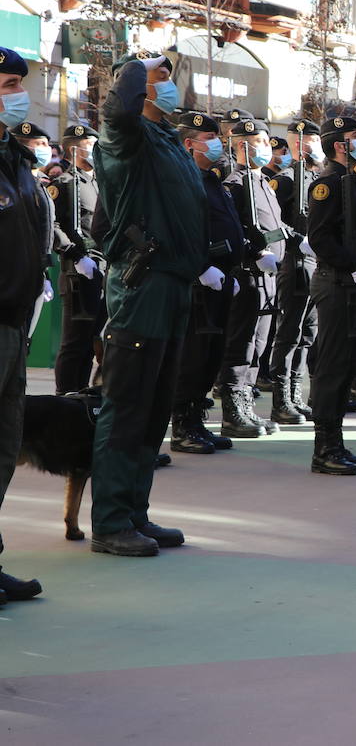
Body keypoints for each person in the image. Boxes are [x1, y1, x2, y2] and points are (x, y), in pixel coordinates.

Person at [88, 54, 206, 556]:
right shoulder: (125, 139)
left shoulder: (167, 141)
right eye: (159, 78)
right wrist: (137, 63)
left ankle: (135, 512)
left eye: (168, 75)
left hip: (174, 286)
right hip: (143, 286)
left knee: (156, 405)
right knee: (128, 404)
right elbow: (115, 114)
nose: (168, 82)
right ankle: (111, 520)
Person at [305, 116, 356, 477]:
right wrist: (354, 267)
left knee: (347, 365)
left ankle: (336, 443)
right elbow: (320, 238)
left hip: (353, 282)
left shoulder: (353, 181)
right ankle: (324, 448)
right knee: (332, 367)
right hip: (336, 282)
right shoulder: (330, 183)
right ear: (340, 144)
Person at [0, 45, 48, 599]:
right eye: (7, 85)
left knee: (2, 448)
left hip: (13, 328)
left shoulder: (14, 160)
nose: (18, 95)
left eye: (18, 83)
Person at [168, 111, 241, 456]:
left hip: (223, 278)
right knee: (194, 355)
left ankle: (197, 420)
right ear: (189, 143)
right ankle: (183, 426)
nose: (217, 144)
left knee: (212, 354)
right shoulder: (182, 180)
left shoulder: (211, 180)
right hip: (200, 281)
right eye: (210, 138)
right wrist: (202, 267)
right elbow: (180, 231)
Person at [218, 118, 286, 438]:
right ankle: (233, 411)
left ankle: (247, 404)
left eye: (265, 141)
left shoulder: (262, 182)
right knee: (241, 343)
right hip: (248, 275)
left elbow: (272, 229)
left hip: (269, 278)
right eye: (256, 141)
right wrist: (254, 255)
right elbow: (233, 233)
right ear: (241, 145)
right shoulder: (234, 184)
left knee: (259, 344)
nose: (264, 147)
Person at [265, 121, 321, 425]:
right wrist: (297, 239)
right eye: (308, 141)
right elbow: (273, 224)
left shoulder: (316, 177)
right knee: (289, 332)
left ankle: (296, 394)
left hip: (315, 264)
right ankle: (280, 398)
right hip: (294, 262)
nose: (313, 146)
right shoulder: (285, 181)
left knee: (308, 333)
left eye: (315, 140)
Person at [51, 123, 106, 393]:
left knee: (93, 340)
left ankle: (82, 396)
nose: (95, 149)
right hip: (78, 271)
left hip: (101, 269)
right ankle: (66, 397)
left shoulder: (98, 183)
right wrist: (74, 254)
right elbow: (54, 226)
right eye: (89, 144)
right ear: (74, 148)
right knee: (75, 343)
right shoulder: (64, 183)